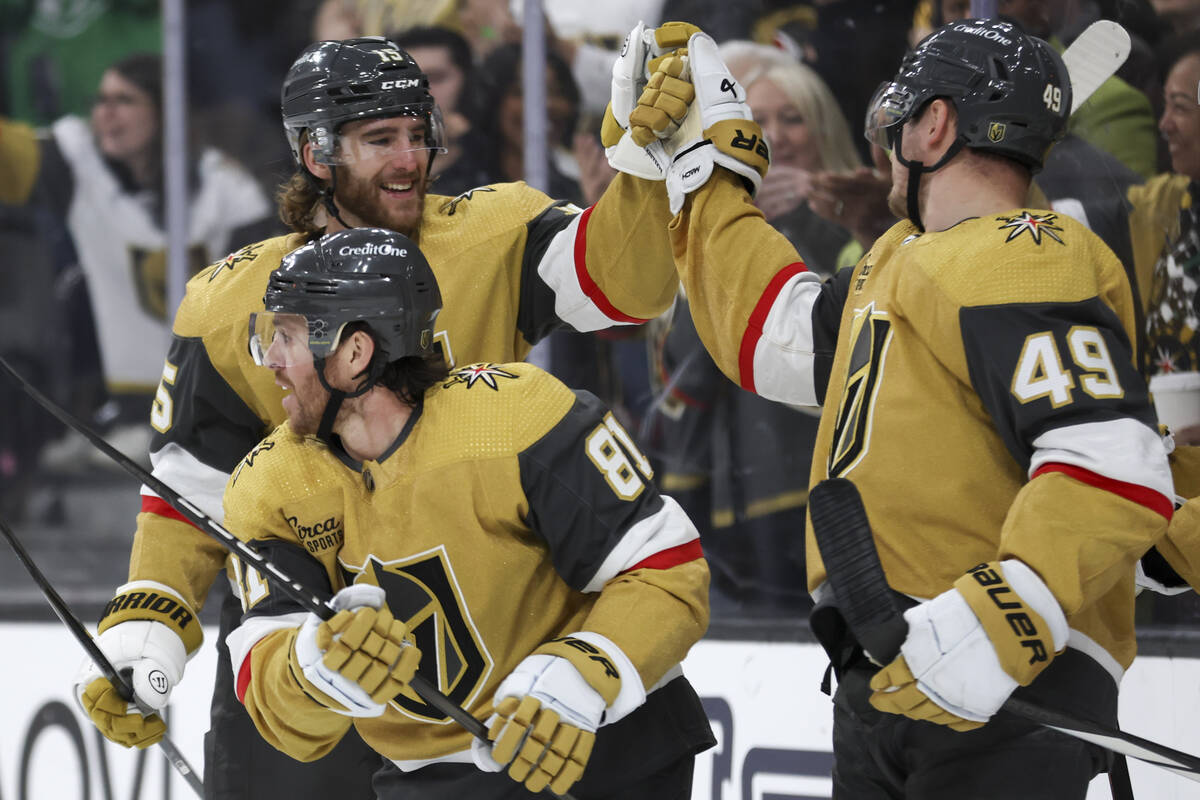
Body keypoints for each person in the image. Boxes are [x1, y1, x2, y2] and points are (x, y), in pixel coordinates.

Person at [71, 29, 695, 800]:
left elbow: (628, 284)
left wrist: (641, 164)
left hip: (487, 592)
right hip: (309, 625)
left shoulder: (487, 233)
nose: (409, 160)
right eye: (378, 139)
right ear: (314, 153)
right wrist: (149, 634)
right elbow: (189, 490)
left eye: (415, 134)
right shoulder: (233, 302)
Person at [636, 19, 1173, 796]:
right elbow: (776, 336)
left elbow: (1109, 461)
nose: (885, 139)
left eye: (899, 116)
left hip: (1001, 680)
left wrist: (1001, 622)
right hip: (895, 673)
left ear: (935, 123)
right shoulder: (903, 258)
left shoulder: (1017, 252)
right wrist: (706, 178)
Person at [219, 227, 712, 798]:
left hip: (605, 753)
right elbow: (269, 694)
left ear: (354, 353)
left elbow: (665, 569)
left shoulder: (516, 416)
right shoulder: (271, 485)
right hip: (434, 783)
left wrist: (582, 674)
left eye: (287, 336)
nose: (270, 361)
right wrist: (313, 669)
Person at [0, 52, 275, 458]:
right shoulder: (80, 164)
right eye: (101, 100)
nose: (105, 114)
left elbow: (256, 311)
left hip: (213, 414)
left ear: (164, 112)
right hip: (116, 415)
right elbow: (12, 155)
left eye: (124, 101)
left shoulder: (228, 189)